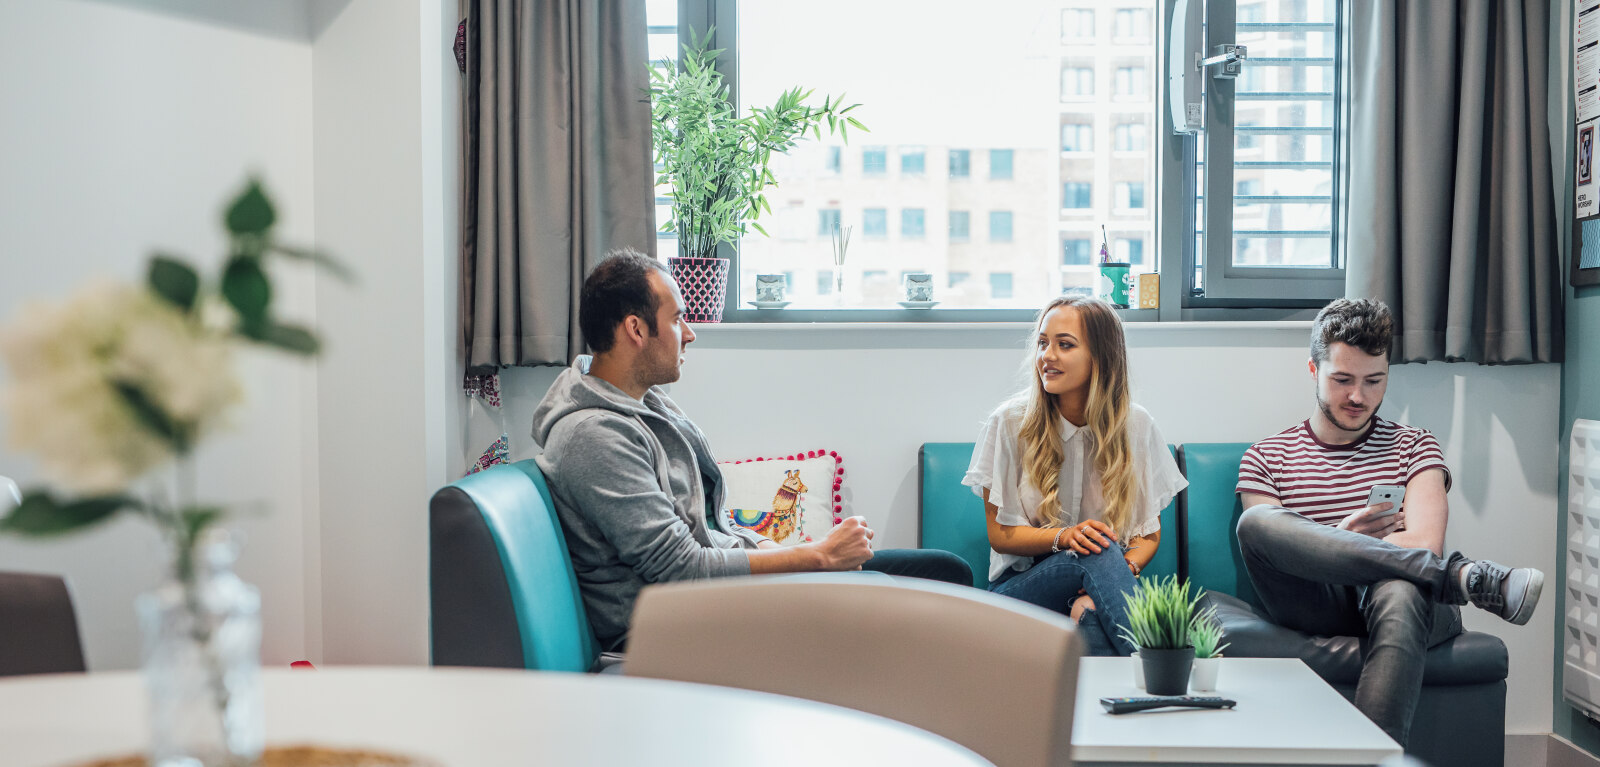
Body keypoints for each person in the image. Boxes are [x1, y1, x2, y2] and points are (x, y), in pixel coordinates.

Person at [531, 249, 971, 652]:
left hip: (717, 599)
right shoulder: (594, 436)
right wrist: (817, 556)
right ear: (636, 329)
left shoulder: (645, 404)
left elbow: (708, 530)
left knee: (943, 572)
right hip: (674, 626)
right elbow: (680, 569)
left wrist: (797, 555)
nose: (690, 335)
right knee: (906, 604)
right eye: (678, 319)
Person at [1234, 297, 1543, 746]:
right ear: (1313, 370)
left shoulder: (1414, 447)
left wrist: (1346, 553)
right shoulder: (1267, 457)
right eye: (1342, 380)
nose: (1358, 397)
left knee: (1400, 586)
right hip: (1315, 600)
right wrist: (1339, 538)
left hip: (1406, 600)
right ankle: (1461, 578)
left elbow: (1423, 545)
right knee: (1257, 523)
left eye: (1374, 381)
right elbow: (1273, 553)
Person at [962, 296, 1186, 656]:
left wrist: (1111, 575)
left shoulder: (1137, 426)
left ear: (1100, 356)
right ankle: (1166, 675)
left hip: (1108, 576)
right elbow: (1000, 535)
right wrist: (1067, 538)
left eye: (1064, 345)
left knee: (1091, 611)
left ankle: (1109, 706)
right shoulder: (1008, 423)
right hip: (1021, 588)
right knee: (1096, 549)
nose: (1046, 356)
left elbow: (1148, 536)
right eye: (1042, 343)